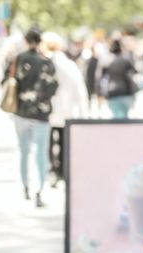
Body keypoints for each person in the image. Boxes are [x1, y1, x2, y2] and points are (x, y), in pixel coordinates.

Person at [4, 27, 58, 207]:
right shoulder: (46, 62)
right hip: (41, 114)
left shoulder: (18, 59)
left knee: (24, 151)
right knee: (41, 153)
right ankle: (39, 189)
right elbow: (52, 87)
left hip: (21, 111)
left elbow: (8, 81)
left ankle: (25, 186)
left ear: (26, 41)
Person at [42, 32, 89, 187]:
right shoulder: (68, 64)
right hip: (66, 109)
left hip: (48, 109)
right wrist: (83, 112)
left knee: (48, 142)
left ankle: (52, 170)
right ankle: (61, 170)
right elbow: (79, 89)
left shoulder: (45, 62)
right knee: (63, 141)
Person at [101, 39, 137, 119]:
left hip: (112, 92)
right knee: (123, 117)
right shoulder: (126, 60)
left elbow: (100, 78)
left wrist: (100, 93)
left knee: (117, 117)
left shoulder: (107, 61)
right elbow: (133, 73)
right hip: (125, 91)